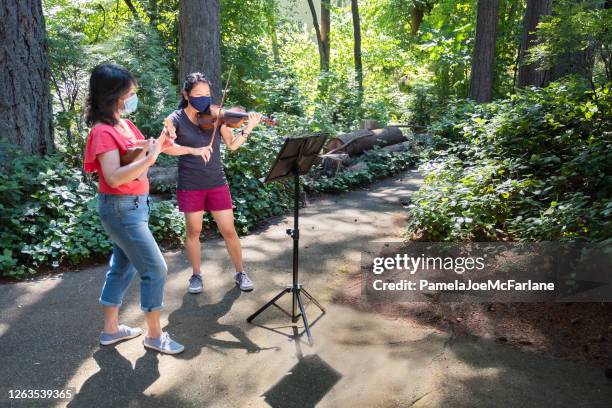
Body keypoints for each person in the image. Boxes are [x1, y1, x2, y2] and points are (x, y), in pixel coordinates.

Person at [83, 64, 201, 354]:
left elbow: (141, 152)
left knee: (121, 267)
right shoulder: (102, 132)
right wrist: (149, 159)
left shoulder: (122, 123)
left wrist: (162, 140)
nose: (133, 96)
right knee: (156, 269)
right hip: (121, 209)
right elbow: (113, 176)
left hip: (135, 207)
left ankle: (110, 331)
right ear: (113, 95)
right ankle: (154, 335)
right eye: (130, 93)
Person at [163, 72, 261, 294]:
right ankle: (196, 275)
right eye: (198, 94)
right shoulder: (174, 119)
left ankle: (240, 272)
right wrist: (191, 150)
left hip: (216, 180)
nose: (204, 98)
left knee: (229, 229)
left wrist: (249, 127)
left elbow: (233, 145)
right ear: (186, 95)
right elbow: (167, 147)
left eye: (207, 94)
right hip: (190, 183)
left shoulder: (217, 116)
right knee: (193, 231)